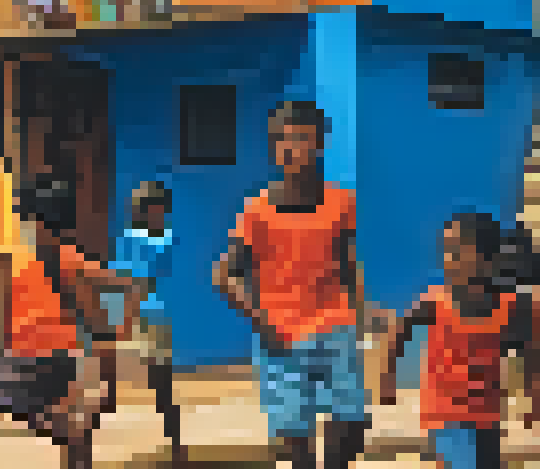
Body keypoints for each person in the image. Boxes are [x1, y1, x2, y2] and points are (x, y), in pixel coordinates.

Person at [0, 176, 146, 469]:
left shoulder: (25, 255)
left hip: (29, 356)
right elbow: (131, 286)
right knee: (57, 423)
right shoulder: (63, 257)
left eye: (30, 218)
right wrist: (124, 326)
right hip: (56, 358)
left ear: (37, 221)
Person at [213, 100, 372, 469]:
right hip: (279, 335)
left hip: (335, 327)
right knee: (294, 436)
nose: (287, 147)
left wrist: (360, 318)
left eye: (299, 138)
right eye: (279, 139)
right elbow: (224, 276)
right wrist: (261, 321)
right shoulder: (256, 210)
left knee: (350, 424)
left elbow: (348, 263)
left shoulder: (340, 203)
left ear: (319, 144)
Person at [375, 212, 537, 469]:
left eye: (458, 253)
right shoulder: (436, 302)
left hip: (487, 415)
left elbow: (530, 351)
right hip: (444, 414)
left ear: (488, 261)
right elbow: (400, 331)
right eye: (447, 252)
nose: (448, 261)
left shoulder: (508, 307)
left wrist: (532, 394)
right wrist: (387, 379)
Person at [109, 181, 184, 464]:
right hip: (137, 313)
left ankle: (174, 442)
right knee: (113, 377)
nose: (153, 213)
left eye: (157, 208)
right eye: (147, 208)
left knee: (160, 381)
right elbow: (122, 280)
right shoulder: (133, 238)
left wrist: (125, 314)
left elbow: (138, 280)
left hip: (152, 316)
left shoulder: (164, 238)